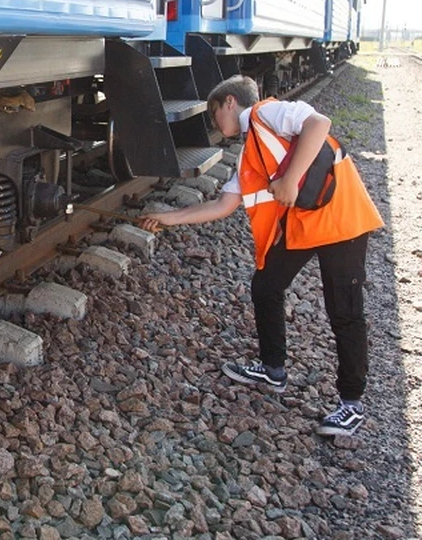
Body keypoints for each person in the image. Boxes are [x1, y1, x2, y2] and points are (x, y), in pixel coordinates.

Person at [139, 75, 384, 436]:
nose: (213, 124)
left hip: (340, 219)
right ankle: (273, 369)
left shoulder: (269, 113)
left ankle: (351, 404)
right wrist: (167, 219)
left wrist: (289, 179)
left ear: (229, 103)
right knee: (266, 284)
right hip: (305, 223)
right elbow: (223, 205)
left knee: (344, 311)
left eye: (213, 114)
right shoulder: (249, 152)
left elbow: (319, 124)